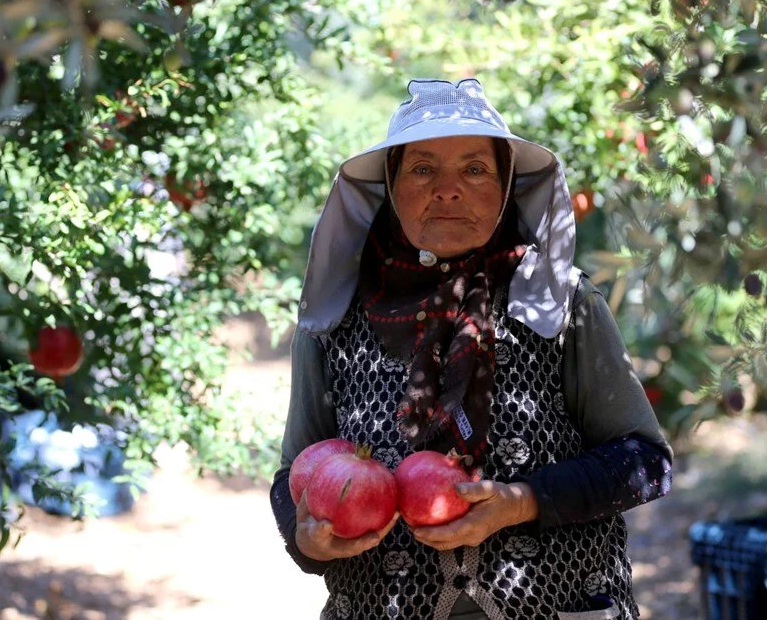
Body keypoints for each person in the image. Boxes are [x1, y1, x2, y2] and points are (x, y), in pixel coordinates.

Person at [270, 78, 673, 620]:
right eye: (421, 168)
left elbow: (645, 461)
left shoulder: (558, 301)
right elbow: (294, 473)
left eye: (475, 168)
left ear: (506, 186)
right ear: (390, 185)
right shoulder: (336, 313)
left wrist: (521, 502)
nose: (448, 188)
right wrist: (308, 540)